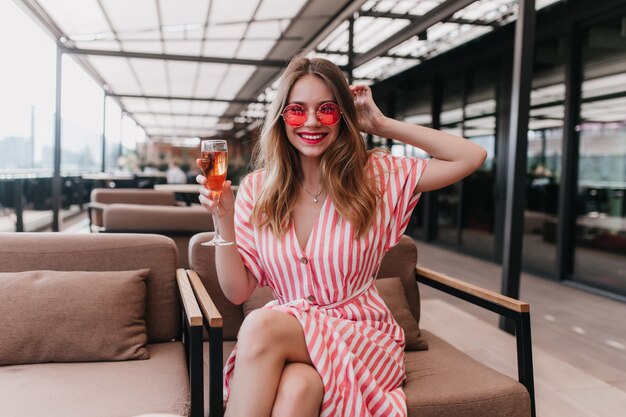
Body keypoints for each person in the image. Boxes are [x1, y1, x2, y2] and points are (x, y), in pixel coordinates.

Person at [196, 56, 486, 417]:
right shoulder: (257, 189)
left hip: (361, 336)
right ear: (282, 118)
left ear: (343, 117)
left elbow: (470, 156)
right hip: (289, 339)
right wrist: (222, 217)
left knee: (260, 323)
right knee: (298, 387)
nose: (313, 122)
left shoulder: (377, 177)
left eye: (328, 110)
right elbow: (238, 290)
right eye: (298, 111)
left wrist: (380, 123)